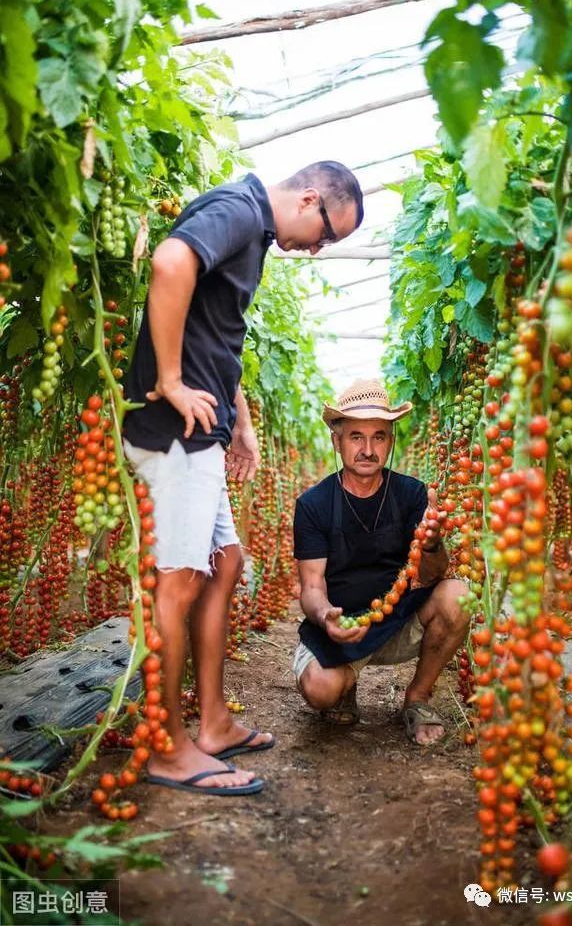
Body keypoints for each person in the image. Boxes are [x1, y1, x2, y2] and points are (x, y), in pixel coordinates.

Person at [123, 163, 364, 794]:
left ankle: (213, 723)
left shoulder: (251, 231)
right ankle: (167, 747)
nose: (318, 248)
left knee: (226, 561)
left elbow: (220, 335)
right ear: (310, 198)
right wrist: (172, 382)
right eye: (325, 234)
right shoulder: (237, 208)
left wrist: (242, 420)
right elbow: (171, 263)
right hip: (175, 433)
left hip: (204, 431)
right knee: (178, 584)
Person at [292, 379, 469, 746]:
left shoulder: (412, 494)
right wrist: (327, 617)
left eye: (379, 437)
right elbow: (311, 587)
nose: (368, 450)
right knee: (320, 691)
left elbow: (433, 576)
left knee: (457, 595)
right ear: (336, 440)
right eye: (356, 436)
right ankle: (344, 683)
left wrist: (432, 542)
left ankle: (418, 698)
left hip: (398, 620)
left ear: (391, 441)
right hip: (340, 625)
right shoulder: (313, 505)